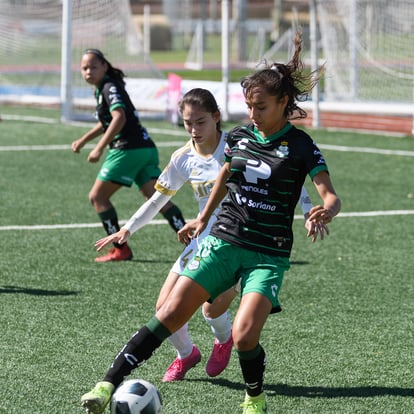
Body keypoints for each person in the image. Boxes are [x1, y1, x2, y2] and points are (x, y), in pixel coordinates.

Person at [80, 32, 340, 414]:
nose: (253, 115)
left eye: (262, 107)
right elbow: (224, 177)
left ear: (284, 103)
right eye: (249, 106)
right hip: (222, 240)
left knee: (245, 335)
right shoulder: (239, 137)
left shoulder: (301, 145)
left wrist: (326, 209)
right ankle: (105, 385)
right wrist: (202, 218)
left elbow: (328, 192)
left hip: (268, 255)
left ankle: (254, 397)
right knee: (167, 313)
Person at [92, 87, 323, 385]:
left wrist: (308, 210)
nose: (193, 129)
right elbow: (158, 199)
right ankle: (186, 355)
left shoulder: (240, 143)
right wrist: (128, 229)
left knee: (211, 309)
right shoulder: (183, 157)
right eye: (187, 123)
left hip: (241, 238)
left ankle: (224, 339)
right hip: (204, 239)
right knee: (165, 309)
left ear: (216, 118)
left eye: (200, 122)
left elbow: (287, 180)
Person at [71, 49, 185, 262]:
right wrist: (85, 140)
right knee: (157, 199)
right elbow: (106, 121)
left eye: (94, 67)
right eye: (85, 68)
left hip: (127, 150)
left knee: (98, 197)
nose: (89, 72)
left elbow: (119, 118)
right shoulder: (106, 87)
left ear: (105, 66)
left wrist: (99, 148)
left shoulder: (109, 87)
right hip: (146, 148)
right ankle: (192, 243)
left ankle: (120, 248)